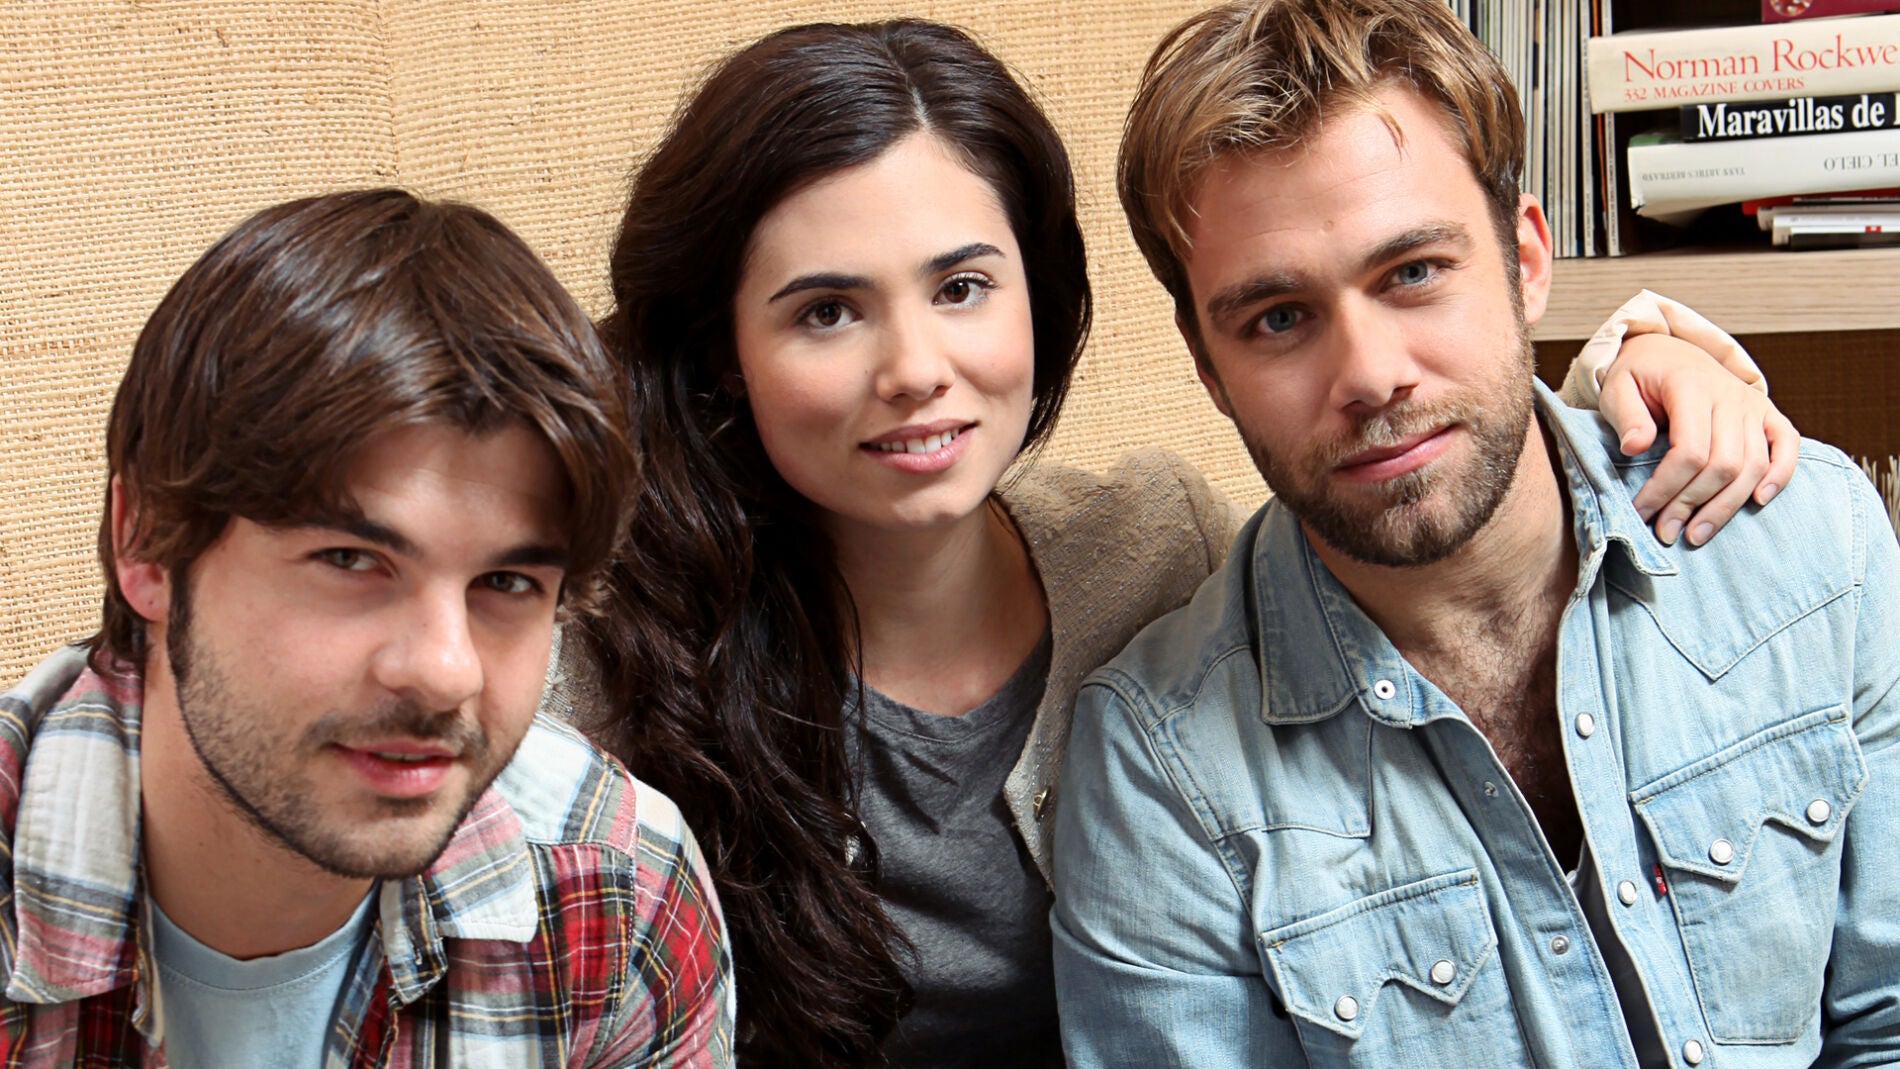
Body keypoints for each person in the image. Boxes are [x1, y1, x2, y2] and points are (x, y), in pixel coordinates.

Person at [556, 19, 1796, 1067]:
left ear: (1039, 296)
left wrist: (1637, 371)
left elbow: (1421, 492)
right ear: (725, 350)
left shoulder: (1158, 548)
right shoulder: (611, 664)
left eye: (962, 287)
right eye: (827, 311)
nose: (915, 371)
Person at [1050, 1, 1900, 1066]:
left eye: (1411, 272)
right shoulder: (1161, 772)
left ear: (1525, 259)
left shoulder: (1806, 541)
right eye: (1277, 318)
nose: (1367, 375)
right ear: (1207, 366)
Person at [0, 189, 732, 1066]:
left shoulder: (619, 898)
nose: (445, 670)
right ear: (147, 545)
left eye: (506, 581)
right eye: (352, 560)